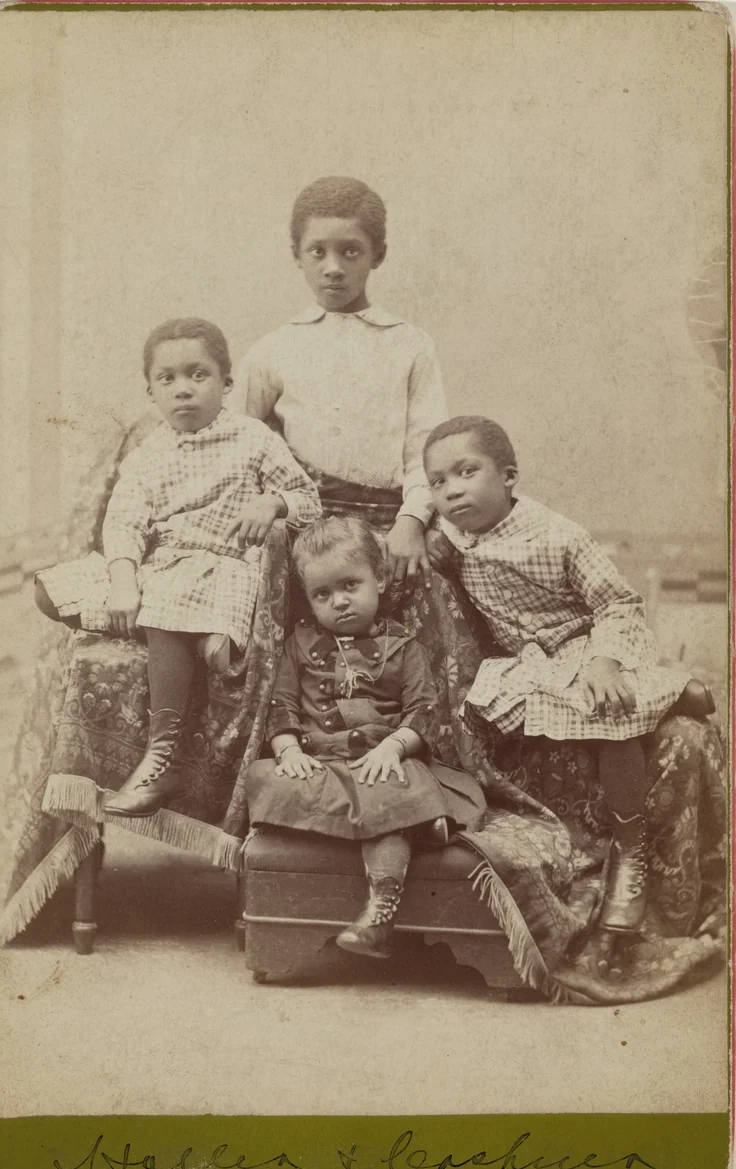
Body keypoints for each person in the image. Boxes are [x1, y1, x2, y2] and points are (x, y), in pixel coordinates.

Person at [423, 414, 716, 934]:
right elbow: (428, 528)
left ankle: (631, 852)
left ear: (509, 477)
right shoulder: (453, 538)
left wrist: (604, 661)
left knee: (606, 712)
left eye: (467, 472)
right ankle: (673, 694)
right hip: (533, 659)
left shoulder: (557, 535)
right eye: (438, 482)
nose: (451, 490)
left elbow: (617, 604)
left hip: (592, 640)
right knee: (484, 709)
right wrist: (428, 537)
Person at [34, 317, 321, 819]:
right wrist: (124, 583)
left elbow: (309, 501)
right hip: (160, 566)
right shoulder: (149, 455)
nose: (183, 389)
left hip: (225, 566)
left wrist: (273, 502)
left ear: (226, 384)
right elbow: (122, 524)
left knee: (171, 600)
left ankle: (161, 755)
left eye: (198, 375)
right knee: (49, 589)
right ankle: (194, 641)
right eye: (167, 379)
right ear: (151, 392)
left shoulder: (253, 439)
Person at [246, 516, 486, 959]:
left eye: (350, 585)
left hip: (382, 761)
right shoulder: (298, 645)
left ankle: (380, 908)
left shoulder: (404, 646)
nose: (338, 602)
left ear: (379, 579)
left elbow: (424, 712)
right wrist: (288, 749)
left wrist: (394, 747)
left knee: (395, 786)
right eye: (323, 594)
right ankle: (418, 823)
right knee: (268, 781)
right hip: (321, 762)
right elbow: (282, 706)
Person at [228, 175, 446, 591]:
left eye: (350, 252)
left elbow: (425, 452)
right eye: (318, 252)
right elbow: (239, 442)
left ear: (377, 254)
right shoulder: (275, 348)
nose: (333, 268)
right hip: (304, 523)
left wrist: (412, 521)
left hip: (387, 524)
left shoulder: (409, 345)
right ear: (297, 255)